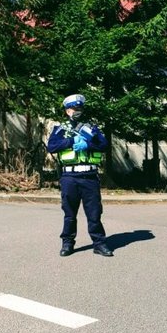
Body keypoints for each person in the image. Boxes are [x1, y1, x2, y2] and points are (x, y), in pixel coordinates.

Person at [46, 93, 113, 257]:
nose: (78, 111)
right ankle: (67, 243)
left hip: (90, 177)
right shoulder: (60, 129)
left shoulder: (91, 128)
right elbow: (51, 146)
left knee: (94, 213)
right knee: (69, 214)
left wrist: (87, 144)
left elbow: (104, 145)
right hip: (69, 177)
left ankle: (99, 244)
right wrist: (71, 142)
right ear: (67, 111)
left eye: (80, 108)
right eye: (74, 108)